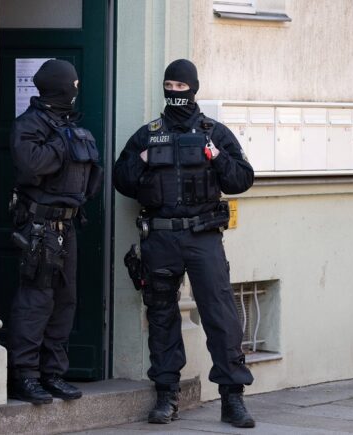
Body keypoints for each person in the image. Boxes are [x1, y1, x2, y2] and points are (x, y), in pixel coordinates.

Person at [113, 59, 256, 427]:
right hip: (161, 236)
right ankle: (166, 396)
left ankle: (232, 399)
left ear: (193, 89)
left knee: (220, 315)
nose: (175, 92)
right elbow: (121, 180)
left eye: (181, 86)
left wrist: (216, 157)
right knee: (161, 316)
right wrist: (142, 159)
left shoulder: (214, 133)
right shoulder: (148, 135)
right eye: (170, 86)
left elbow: (242, 179)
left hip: (203, 237)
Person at [6, 59, 102, 405]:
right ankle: (25, 375)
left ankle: (53, 373)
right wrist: (63, 143)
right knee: (36, 301)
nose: (76, 90)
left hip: (67, 225)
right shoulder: (29, 124)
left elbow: (91, 176)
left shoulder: (68, 126)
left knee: (64, 301)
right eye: (72, 84)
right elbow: (32, 164)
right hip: (39, 227)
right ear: (60, 86)